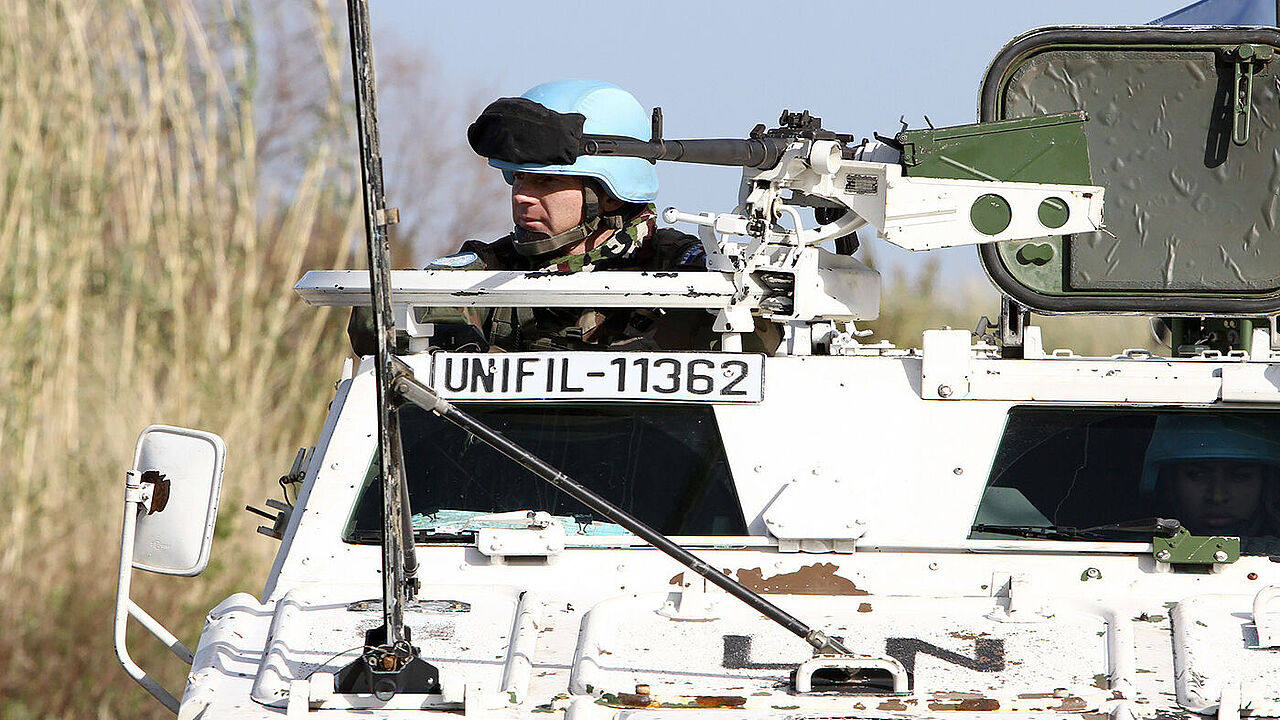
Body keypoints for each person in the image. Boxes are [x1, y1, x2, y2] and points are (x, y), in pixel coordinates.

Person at [349, 79, 715, 355]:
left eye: (545, 181)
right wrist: (467, 354)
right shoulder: (495, 268)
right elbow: (379, 313)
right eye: (518, 177)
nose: (522, 195)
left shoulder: (688, 273)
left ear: (608, 196)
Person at [1140, 414, 1280, 545]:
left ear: (1269, 484)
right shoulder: (1127, 554)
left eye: (1240, 476)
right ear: (1169, 482)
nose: (1217, 496)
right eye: (1197, 475)